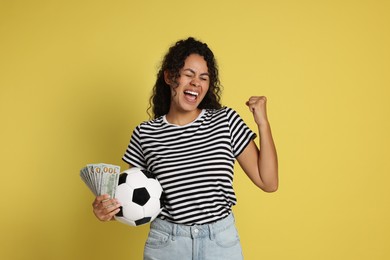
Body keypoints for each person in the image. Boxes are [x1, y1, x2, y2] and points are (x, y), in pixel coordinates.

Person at [92, 37, 278, 260]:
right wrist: (107, 212)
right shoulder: (145, 134)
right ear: (170, 77)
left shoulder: (225, 121)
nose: (196, 83)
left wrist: (263, 124)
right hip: (167, 244)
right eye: (188, 74)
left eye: (203, 78)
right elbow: (136, 200)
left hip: (220, 243)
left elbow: (269, 182)